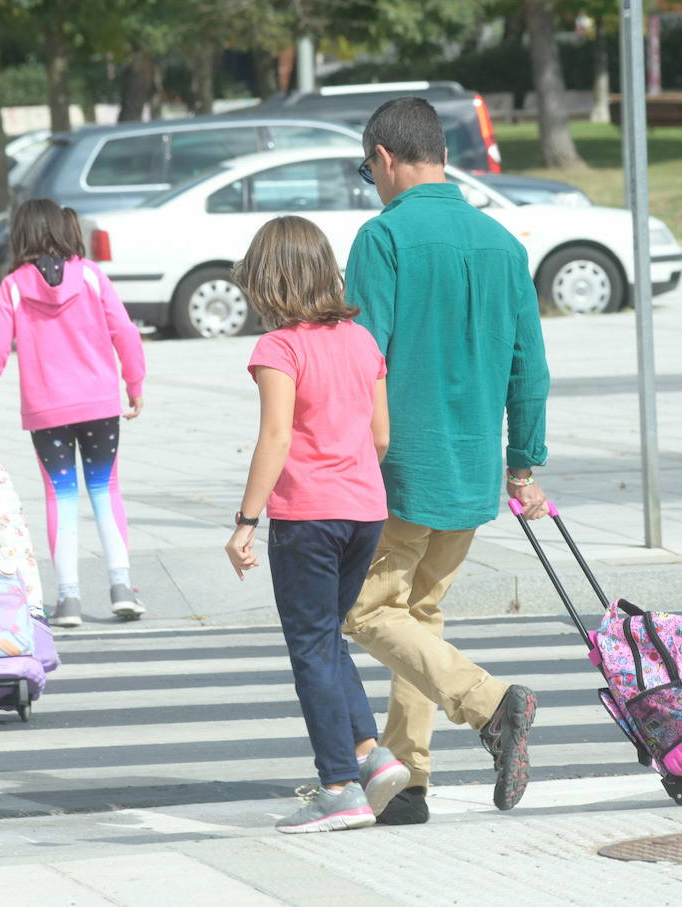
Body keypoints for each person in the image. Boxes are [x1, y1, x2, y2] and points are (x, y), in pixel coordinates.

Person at [341, 97, 552, 822]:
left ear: (386, 158)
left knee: (366, 611)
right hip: (471, 466)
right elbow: (531, 369)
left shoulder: (384, 238)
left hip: (402, 466)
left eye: (369, 169)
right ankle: (410, 783)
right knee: (419, 618)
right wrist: (523, 463)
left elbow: (362, 360)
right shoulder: (503, 244)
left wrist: (348, 455)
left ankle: (493, 703)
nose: (372, 182)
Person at [225, 215, 411, 834]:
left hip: (309, 516)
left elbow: (275, 436)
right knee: (328, 637)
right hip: (365, 510)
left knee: (310, 647)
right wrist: (351, 473)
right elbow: (381, 436)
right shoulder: (361, 340)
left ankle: (338, 787)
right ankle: (369, 755)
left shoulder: (279, 347)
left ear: (268, 281)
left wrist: (246, 520)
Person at [0, 198, 147, 628]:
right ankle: (121, 587)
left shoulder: (13, 285)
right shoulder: (91, 276)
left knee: (59, 496)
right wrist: (134, 383)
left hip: (46, 410)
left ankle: (68, 600)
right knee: (106, 489)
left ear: (21, 233)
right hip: (99, 402)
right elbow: (125, 330)